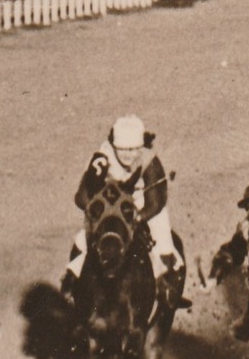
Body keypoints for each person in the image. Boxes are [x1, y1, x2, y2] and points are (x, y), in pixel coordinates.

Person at [62, 115, 185, 302]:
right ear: (113, 145)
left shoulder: (149, 160)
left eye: (134, 149)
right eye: (123, 149)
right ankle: (71, 283)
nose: (129, 154)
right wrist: (100, 212)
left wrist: (136, 218)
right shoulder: (101, 158)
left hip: (142, 205)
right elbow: (81, 197)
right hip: (108, 207)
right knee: (82, 242)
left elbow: (156, 202)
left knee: (164, 244)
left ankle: (166, 291)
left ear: (141, 146)